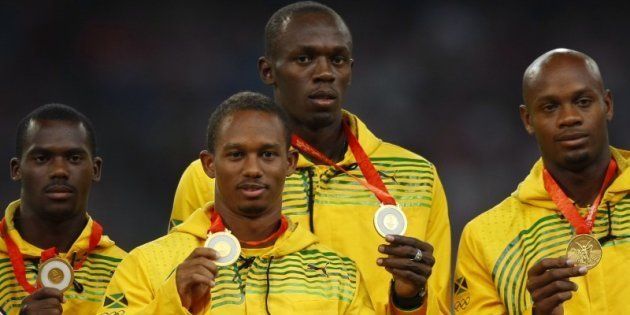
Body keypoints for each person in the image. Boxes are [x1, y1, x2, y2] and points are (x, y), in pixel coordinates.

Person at [170, 2, 451, 314]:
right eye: (304, 59)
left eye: (338, 60)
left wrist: (409, 299)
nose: (324, 73)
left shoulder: (418, 178)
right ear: (268, 71)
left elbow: (436, 305)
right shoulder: (207, 177)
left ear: (350, 71)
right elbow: (179, 290)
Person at [99, 91, 374, 314]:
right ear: (209, 164)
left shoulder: (338, 275)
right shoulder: (148, 266)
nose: (253, 169)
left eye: (267, 154)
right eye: (236, 155)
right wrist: (172, 302)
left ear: (289, 163)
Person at [454, 48, 630, 314]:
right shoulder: (485, 237)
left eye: (583, 101)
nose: (569, 118)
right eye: (550, 107)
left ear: (607, 105)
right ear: (528, 120)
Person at [1, 104, 126, 314]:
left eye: (74, 158)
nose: (59, 171)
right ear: (17, 169)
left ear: (95, 169)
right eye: (42, 158)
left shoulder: (126, 270)